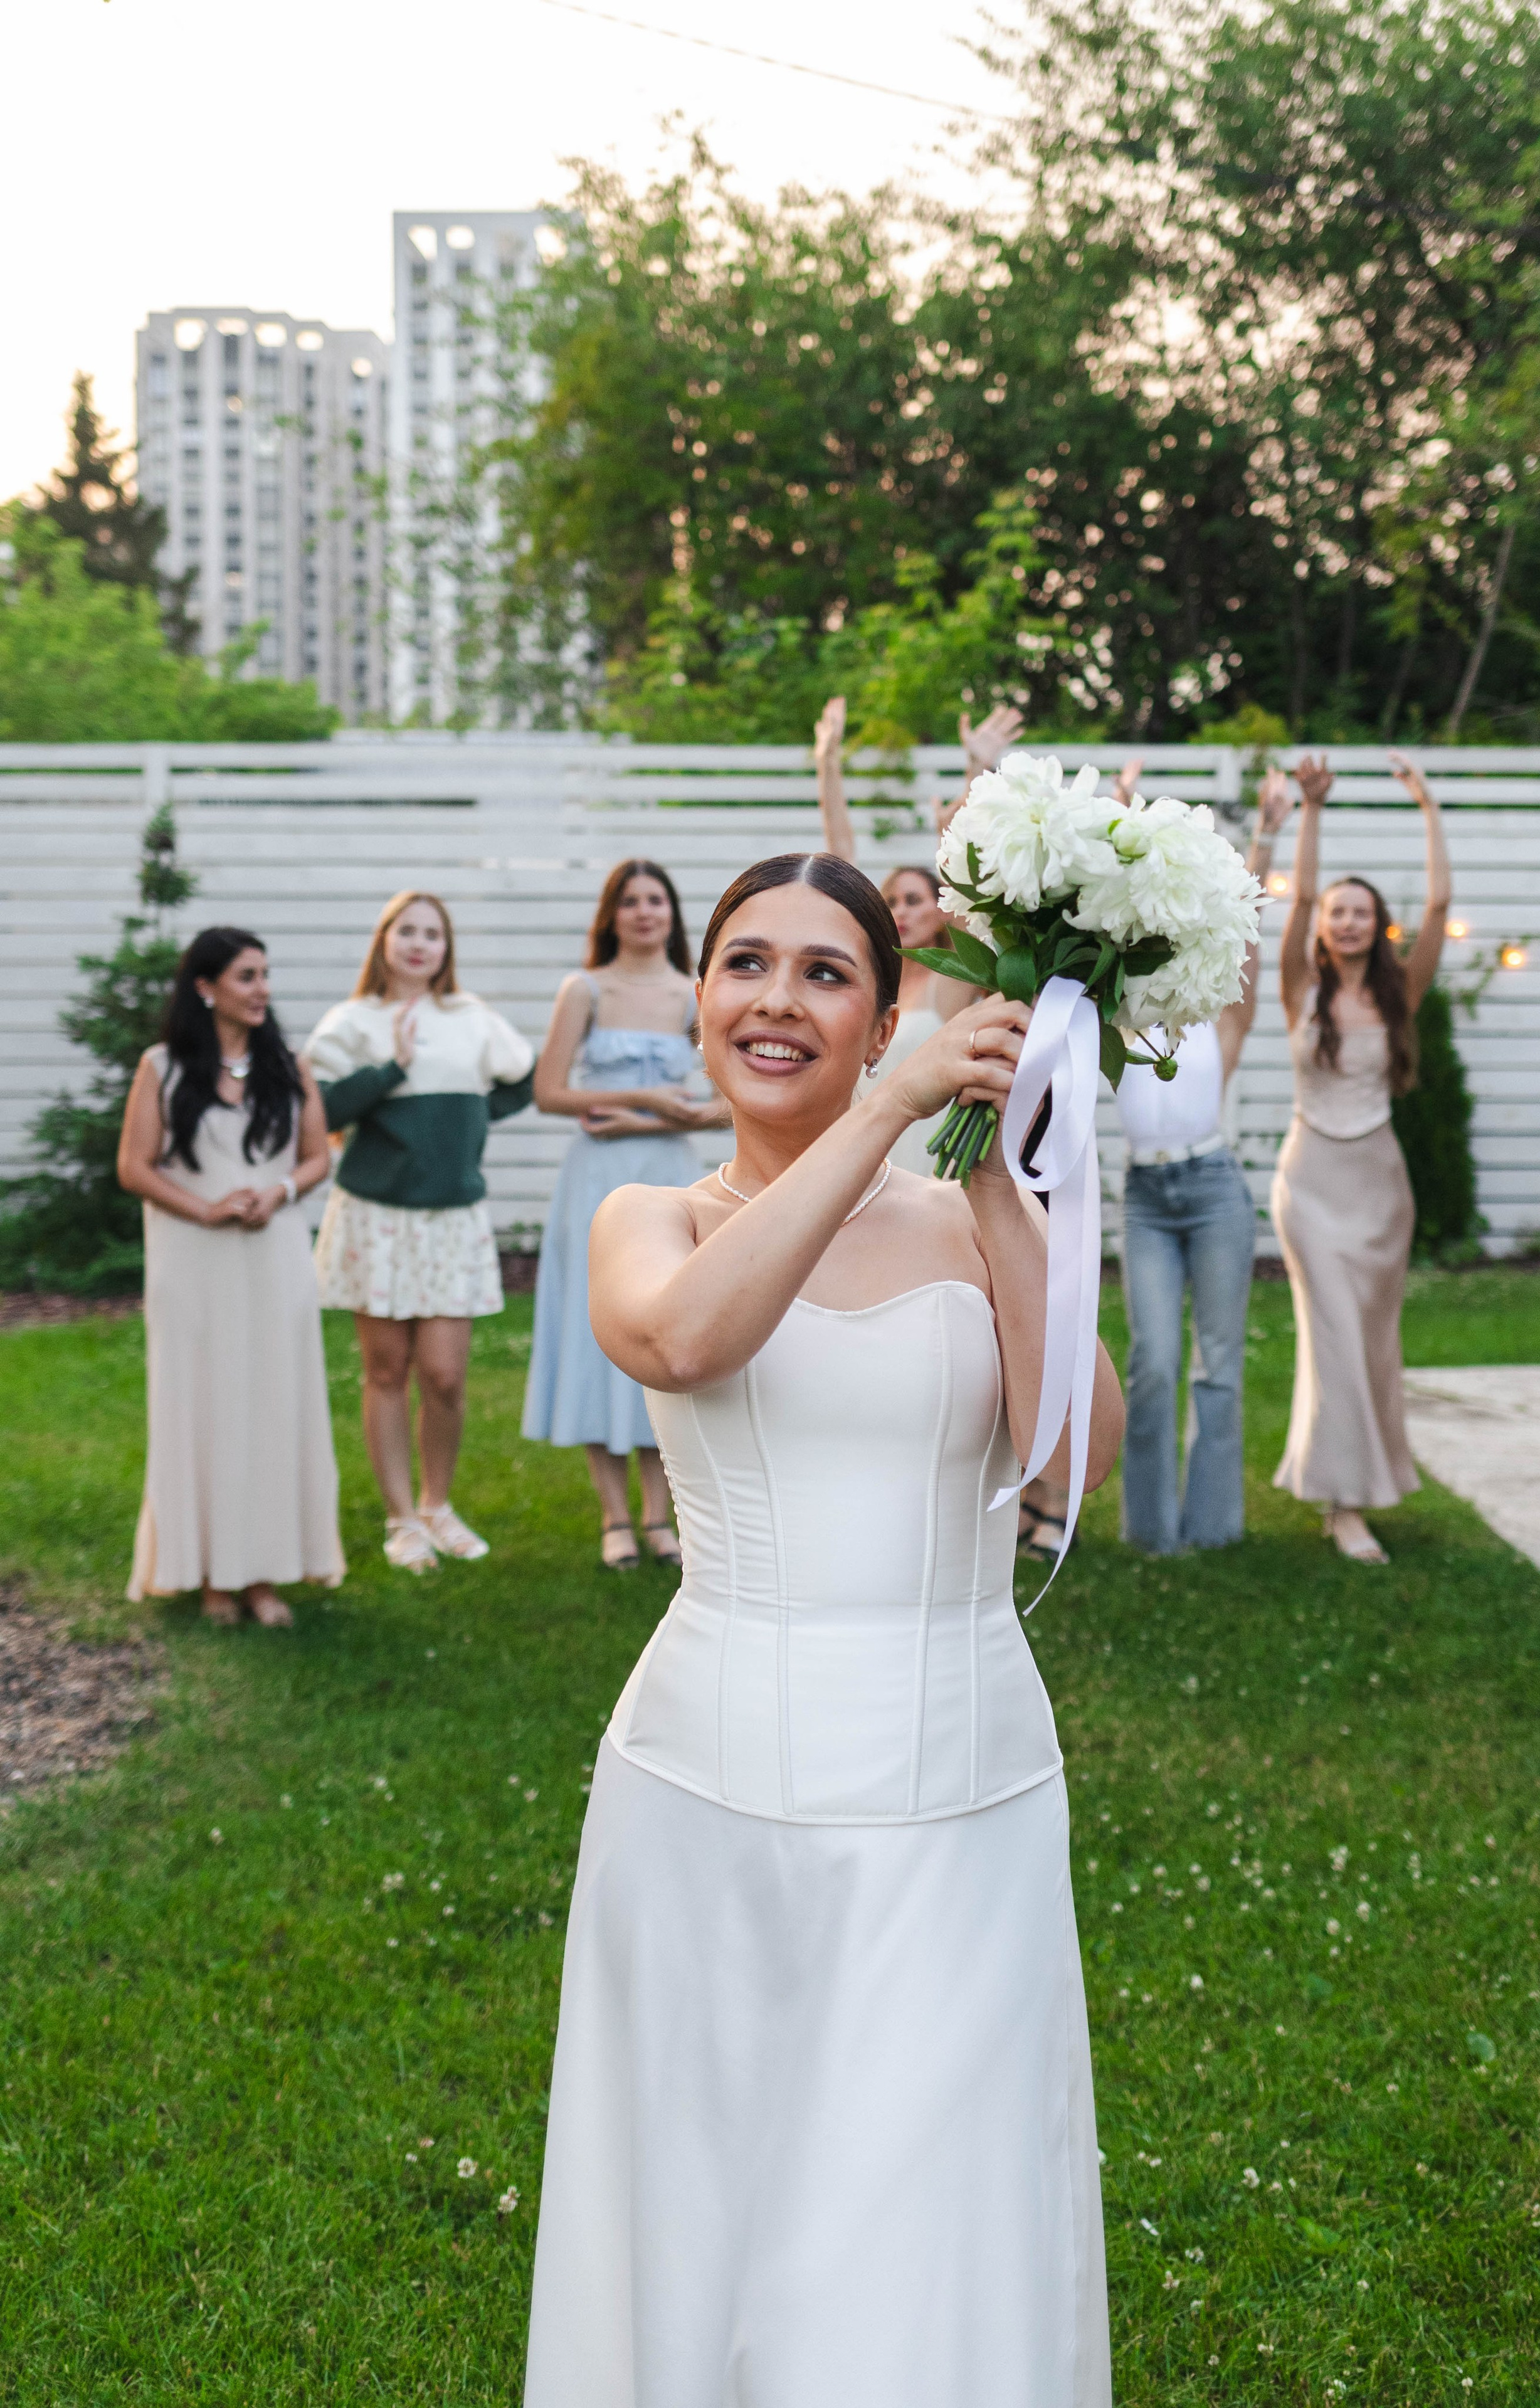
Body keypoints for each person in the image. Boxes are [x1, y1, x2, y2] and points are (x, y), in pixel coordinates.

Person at [524, 850, 1124, 2408]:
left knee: (930, 2211)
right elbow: (682, 1336)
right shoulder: (651, 1219)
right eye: (744, 963)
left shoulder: (964, 1211)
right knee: (716, 2198)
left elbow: (1073, 1455)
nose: (773, 999)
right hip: (710, 1784)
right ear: (706, 997)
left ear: (883, 1012)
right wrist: (883, 1115)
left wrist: (999, 1169)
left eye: (823, 972)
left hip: (965, 1782)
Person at [117, 927, 344, 1626]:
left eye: (265, 976)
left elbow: (316, 1159)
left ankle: (266, 1573)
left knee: (275, 1407)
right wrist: (205, 1209)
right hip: (193, 1258)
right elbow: (134, 1165)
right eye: (247, 976)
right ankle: (209, 1573)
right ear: (205, 986)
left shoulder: (289, 1065)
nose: (262, 990)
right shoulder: (164, 1066)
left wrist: (277, 1192)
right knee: (204, 1408)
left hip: (273, 1256)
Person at [306, 892, 534, 1574]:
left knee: (443, 1375)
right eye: (406, 931)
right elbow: (318, 1111)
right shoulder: (350, 1023)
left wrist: (459, 1127)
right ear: (383, 940)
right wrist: (393, 1070)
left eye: (433, 933)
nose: (419, 944)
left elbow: (518, 1085)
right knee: (385, 1371)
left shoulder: (472, 1020)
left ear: (446, 948)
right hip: (377, 1218)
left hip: (450, 1219)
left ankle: (439, 1505)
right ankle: (401, 1519)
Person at [522, 859, 727, 1571]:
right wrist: (649, 1106)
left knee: (662, 1325)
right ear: (611, 914)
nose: (645, 912)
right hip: (595, 1184)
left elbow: (725, 1097)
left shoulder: (690, 995)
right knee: (596, 1329)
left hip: (669, 1177)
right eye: (632, 902)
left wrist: (649, 1117)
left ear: (673, 914)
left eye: (657, 901)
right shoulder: (584, 989)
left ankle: (656, 1510)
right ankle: (613, 1514)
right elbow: (549, 1091)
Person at [1272, 751, 1451, 1563]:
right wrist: (1312, 808)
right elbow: (1298, 891)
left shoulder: (1397, 993)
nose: (1343, 920)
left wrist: (1427, 804)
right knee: (1333, 1334)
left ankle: (1362, 1484)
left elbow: (1441, 900)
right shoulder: (1297, 990)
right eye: (1335, 911)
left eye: (1359, 912)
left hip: (1380, 1187)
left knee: (1373, 1340)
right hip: (1309, 1183)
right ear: (1319, 924)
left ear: (1376, 926)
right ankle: (1342, 1504)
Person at [1113, 763, 1293, 1555]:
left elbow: (1245, 930)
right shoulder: (1117, 1012)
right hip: (1146, 1196)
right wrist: (1120, 825)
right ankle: (1152, 1533)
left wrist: (1266, 834)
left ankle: (1214, 1530)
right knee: (1152, 1361)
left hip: (1215, 1189)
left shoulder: (1219, 1016)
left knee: (1218, 1363)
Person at [813, 695, 1024, 1173]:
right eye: (891, 901)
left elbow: (965, 883)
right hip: (862, 1165)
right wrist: (828, 764)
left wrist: (977, 772)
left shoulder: (949, 985)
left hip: (931, 1170)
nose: (900, 911)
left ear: (942, 910)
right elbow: (839, 861)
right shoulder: (868, 987)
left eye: (914, 900)